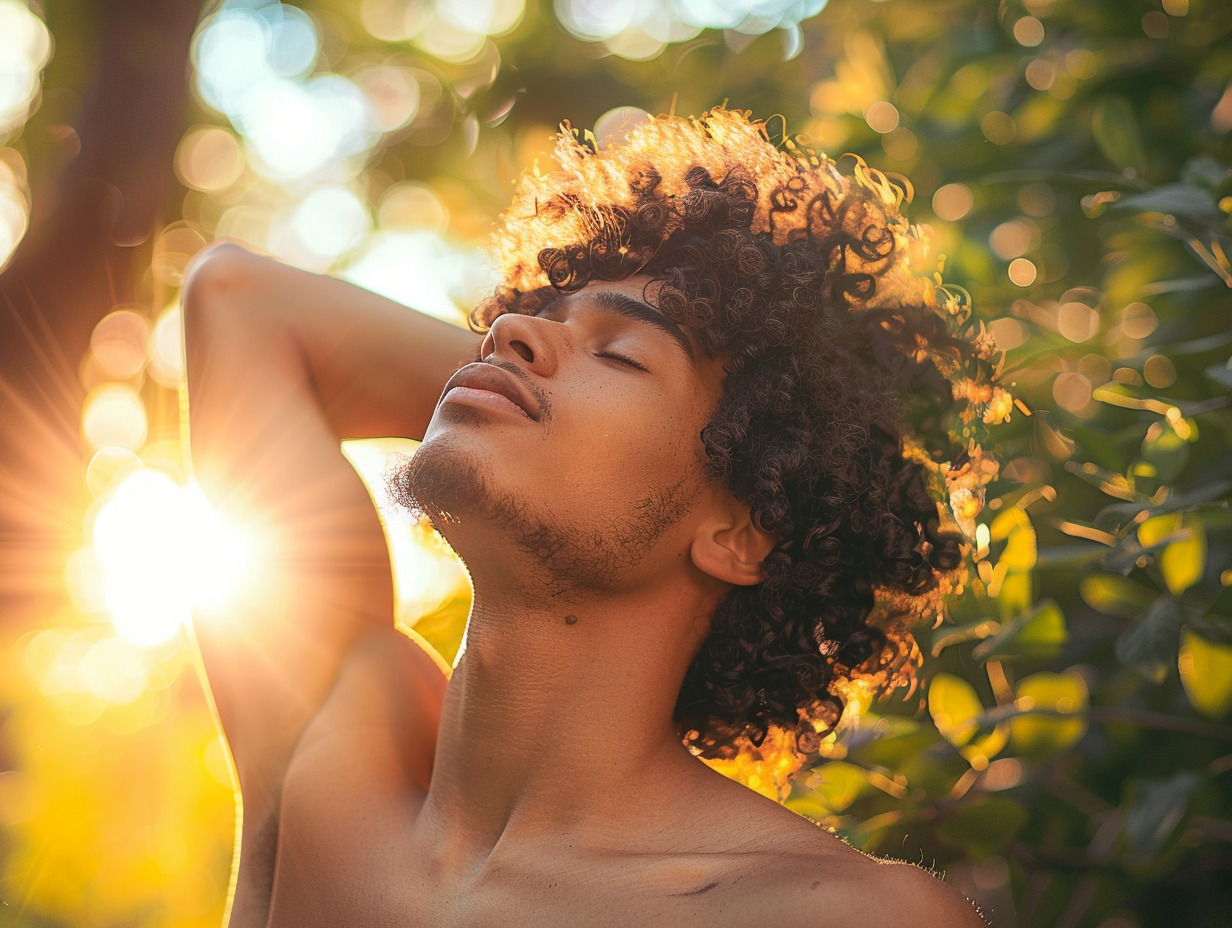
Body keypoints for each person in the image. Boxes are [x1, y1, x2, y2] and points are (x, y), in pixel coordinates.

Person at [183, 108, 1005, 927]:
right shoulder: (340, 749)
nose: (508, 329)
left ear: (742, 532)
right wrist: (514, 386)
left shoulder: (835, 915)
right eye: (531, 315)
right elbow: (239, 299)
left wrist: (770, 451)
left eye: (621, 353)